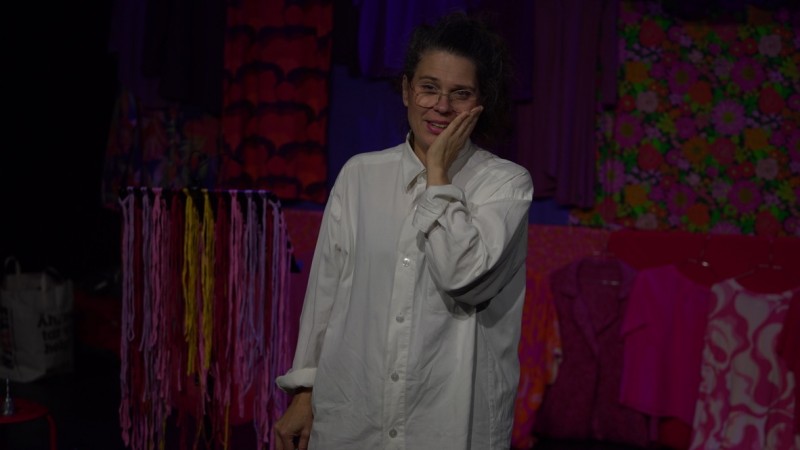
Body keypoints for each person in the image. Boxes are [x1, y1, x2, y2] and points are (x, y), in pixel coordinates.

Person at [273, 11, 533, 450]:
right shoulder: (360, 176)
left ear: (481, 102)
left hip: (447, 425)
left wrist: (437, 176)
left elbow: (463, 278)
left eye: (460, 93)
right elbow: (325, 295)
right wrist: (303, 392)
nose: (442, 106)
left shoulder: (504, 185)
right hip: (353, 419)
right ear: (407, 90)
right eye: (429, 87)